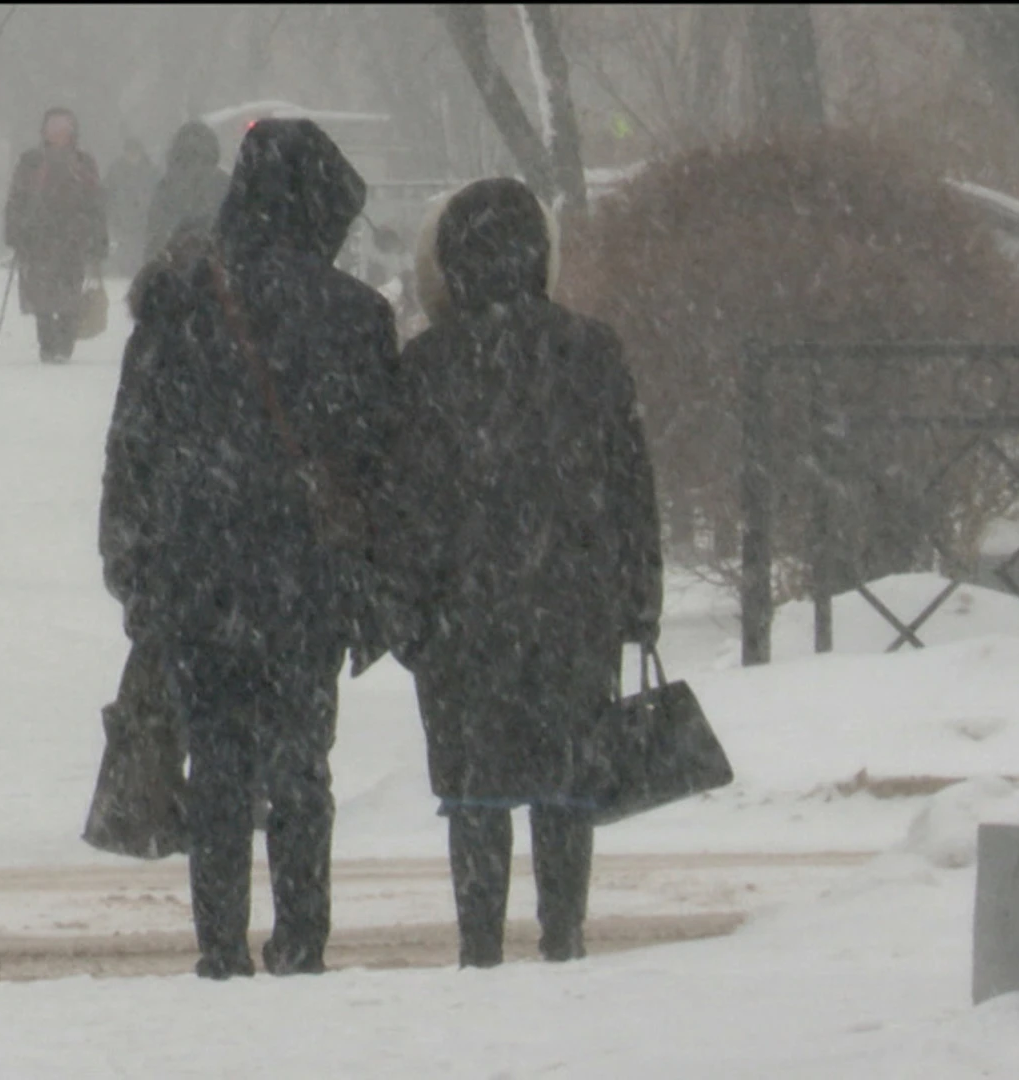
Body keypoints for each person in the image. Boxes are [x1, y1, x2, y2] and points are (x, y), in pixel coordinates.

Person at [101, 119, 399, 978]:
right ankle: (302, 939)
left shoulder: (181, 300)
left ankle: (220, 945)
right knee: (302, 765)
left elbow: (134, 445)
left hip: (200, 572)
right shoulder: (355, 316)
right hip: (306, 574)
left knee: (217, 762)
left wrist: (133, 564)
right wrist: (374, 579)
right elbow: (379, 461)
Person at [379, 177, 663, 968]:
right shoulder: (592, 348)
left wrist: (406, 608)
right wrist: (639, 596)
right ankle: (564, 933)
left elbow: (407, 500)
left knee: (475, 788)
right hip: (573, 601)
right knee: (565, 780)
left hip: (462, 611)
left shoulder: (430, 363)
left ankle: (479, 943)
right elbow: (630, 482)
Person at [3, 107, 109, 364]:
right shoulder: (31, 161)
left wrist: (98, 238)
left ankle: (64, 343)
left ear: (73, 132)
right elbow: (16, 199)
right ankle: (48, 344)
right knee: (41, 295)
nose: (59, 133)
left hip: (74, 238)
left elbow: (96, 202)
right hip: (38, 238)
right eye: (54, 127)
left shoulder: (83, 162)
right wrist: (15, 231)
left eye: (64, 128)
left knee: (70, 292)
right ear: (44, 131)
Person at [143, 119, 230, 270]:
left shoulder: (167, 184)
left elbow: (156, 229)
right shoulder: (223, 183)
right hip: (215, 268)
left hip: (173, 266)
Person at [104, 138, 158, 277]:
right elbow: (108, 194)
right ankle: (125, 272)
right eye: (129, 153)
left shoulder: (150, 170)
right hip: (123, 219)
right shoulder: (115, 170)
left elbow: (156, 193)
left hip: (143, 219)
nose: (132, 156)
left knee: (140, 248)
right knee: (125, 248)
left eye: (135, 153)